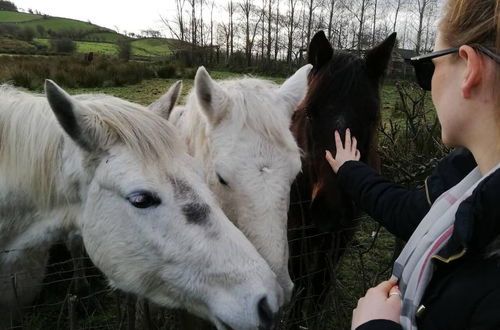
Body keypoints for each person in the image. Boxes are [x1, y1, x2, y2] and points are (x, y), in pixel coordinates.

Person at [325, 0, 500, 329]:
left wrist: (376, 326)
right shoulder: (470, 176)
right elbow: (412, 212)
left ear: (469, 68)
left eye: (427, 68)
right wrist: (350, 169)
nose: (429, 83)